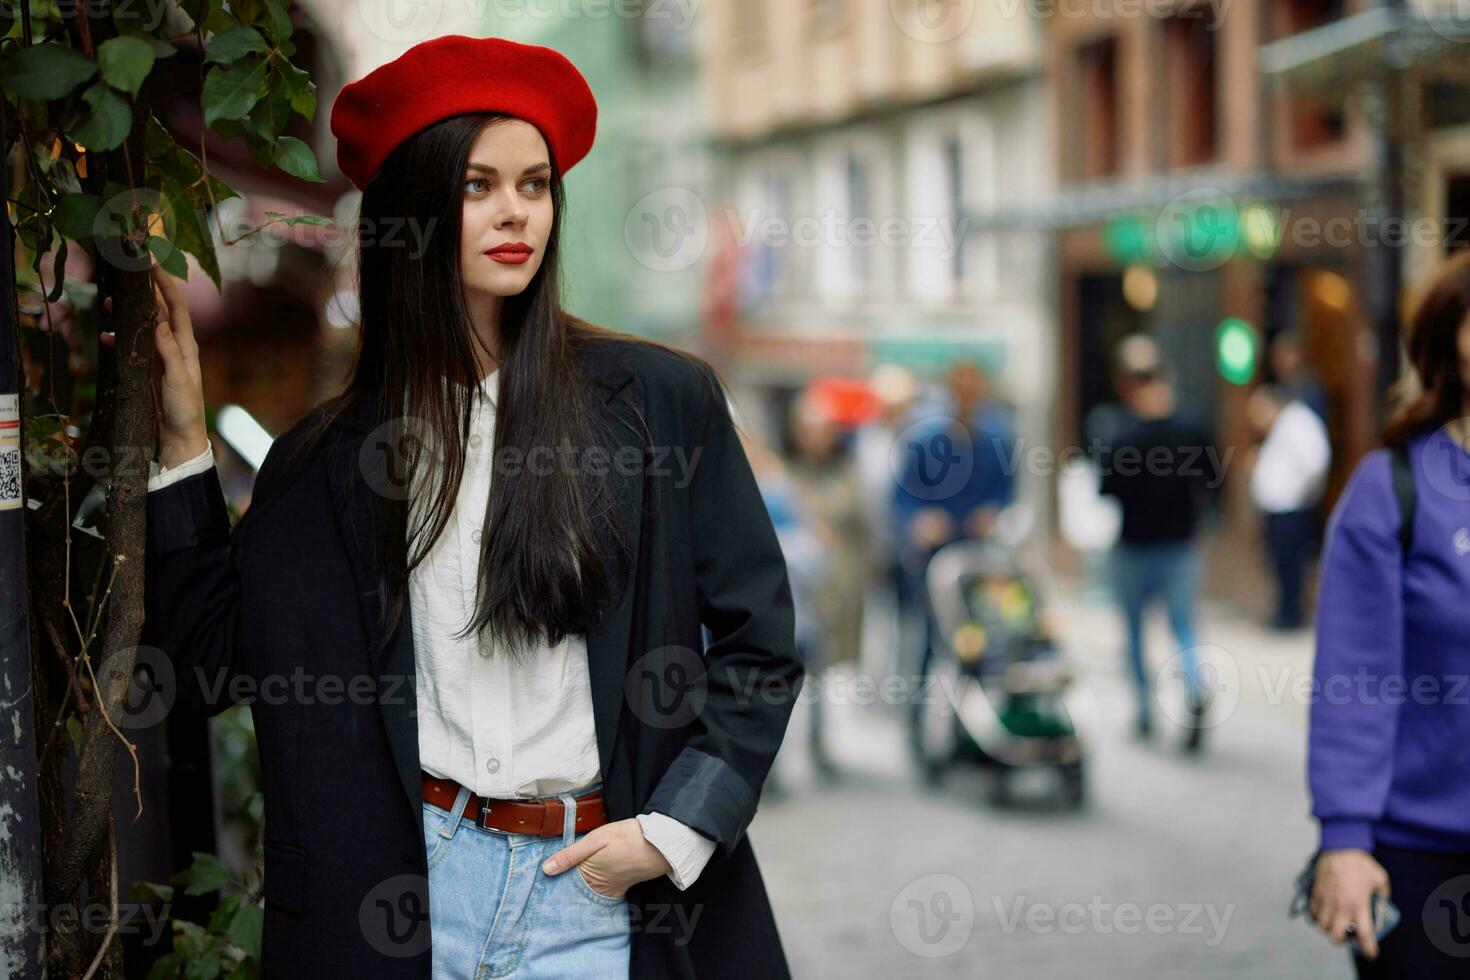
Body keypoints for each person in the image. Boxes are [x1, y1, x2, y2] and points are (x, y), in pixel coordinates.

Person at [129, 35, 803, 979]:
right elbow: (203, 661)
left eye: (533, 185)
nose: (514, 211)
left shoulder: (659, 405)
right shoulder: (330, 461)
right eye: (479, 184)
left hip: (603, 891)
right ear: (414, 209)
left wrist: (673, 829)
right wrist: (182, 445)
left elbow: (761, 645)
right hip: (409, 896)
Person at [1307, 249, 1470, 976]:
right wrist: (1344, 839)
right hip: (1423, 851)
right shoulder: (1394, 491)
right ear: (1451, 347)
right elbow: (1354, 678)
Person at [1096, 336, 1219, 750]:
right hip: (1181, 543)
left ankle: (1146, 710)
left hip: (1134, 545)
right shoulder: (1190, 425)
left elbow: (1106, 486)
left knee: (1133, 632)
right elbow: (1213, 477)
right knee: (1183, 627)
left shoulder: (1124, 432)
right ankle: (1194, 686)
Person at [893, 360, 1017, 756]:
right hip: (935, 559)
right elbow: (901, 497)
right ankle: (916, 727)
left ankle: (969, 732)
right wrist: (920, 519)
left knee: (976, 645)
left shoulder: (998, 437)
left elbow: (1006, 491)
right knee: (929, 643)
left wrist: (993, 512)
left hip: (977, 559)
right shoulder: (926, 438)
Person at [1248, 340, 1332, 630]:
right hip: (1279, 507)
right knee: (1280, 566)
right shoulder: (1284, 423)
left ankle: (1291, 616)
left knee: (1292, 567)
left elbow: (1315, 462)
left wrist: (1303, 494)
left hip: (1292, 507)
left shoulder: (1300, 417)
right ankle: (1285, 613)